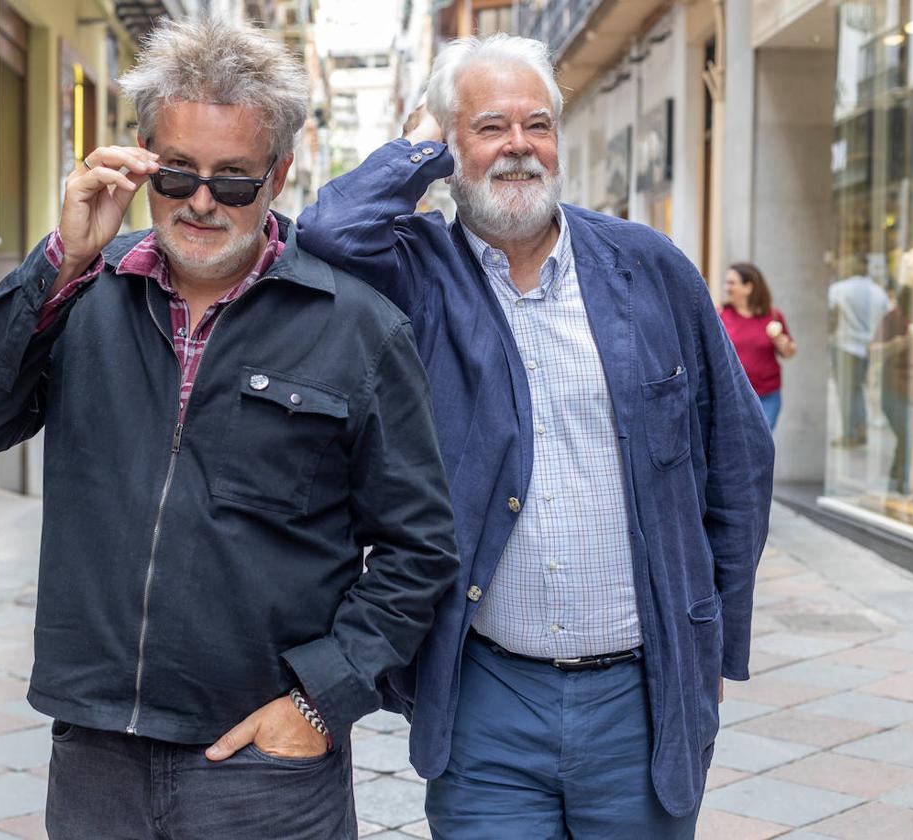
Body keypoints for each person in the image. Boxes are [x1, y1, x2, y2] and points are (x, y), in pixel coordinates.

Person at [0, 19, 458, 840]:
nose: (203, 201)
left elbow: (419, 549)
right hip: (96, 751)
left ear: (277, 176)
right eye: (177, 174)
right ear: (141, 161)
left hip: (264, 764)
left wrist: (318, 702)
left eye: (235, 179)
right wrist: (59, 263)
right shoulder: (83, 292)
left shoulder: (357, 329)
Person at [297, 33, 774, 839]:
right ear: (450, 145)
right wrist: (416, 149)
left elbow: (736, 460)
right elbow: (328, 228)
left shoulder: (649, 267)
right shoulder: (417, 269)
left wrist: (709, 640)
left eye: (538, 124)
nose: (519, 146)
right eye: (489, 126)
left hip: (642, 697)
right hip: (487, 695)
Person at [720, 262, 796, 430]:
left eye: (732, 283)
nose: (726, 287)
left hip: (767, 396)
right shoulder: (721, 315)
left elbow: (789, 352)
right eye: (726, 282)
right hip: (732, 396)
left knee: (761, 446)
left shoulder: (773, 316)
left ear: (748, 287)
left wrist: (783, 344)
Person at [829, 267, 890, 446]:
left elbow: (829, 310)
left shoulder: (840, 288)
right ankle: (859, 427)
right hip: (867, 347)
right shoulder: (878, 292)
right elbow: (888, 315)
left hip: (844, 345)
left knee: (846, 392)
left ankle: (851, 432)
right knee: (856, 389)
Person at [873, 284, 913, 493]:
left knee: (908, 439)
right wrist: (897, 344)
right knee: (906, 436)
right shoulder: (893, 319)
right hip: (893, 389)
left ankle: (896, 482)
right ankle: (902, 485)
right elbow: (873, 350)